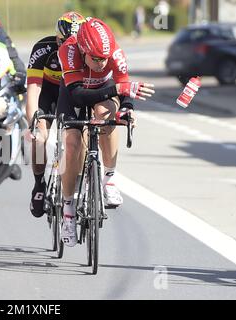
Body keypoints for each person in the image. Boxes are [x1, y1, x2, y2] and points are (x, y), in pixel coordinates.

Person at [57, 17, 155, 246]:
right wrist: (118, 88)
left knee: (108, 115)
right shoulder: (68, 50)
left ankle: (109, 179)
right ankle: (68, 210)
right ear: (83, 50)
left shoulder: (115, 54)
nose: (102, 63)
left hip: (104, 89)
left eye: (105, 58)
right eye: (96, 59)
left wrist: (128, 109)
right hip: (74, 93)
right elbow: (78, 95)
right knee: (71, 144)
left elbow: (125, 88)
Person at [26, 11, 86, 218]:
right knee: (39, 138)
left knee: (82, 135)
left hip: (73, 92)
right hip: (48, 92)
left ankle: (75, 180)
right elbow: (33, 89)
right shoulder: (43, 49)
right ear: (58, 38)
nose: (70, 47)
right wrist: (33, 123)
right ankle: (39, 184)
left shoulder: (86, 49)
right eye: (64, 42)